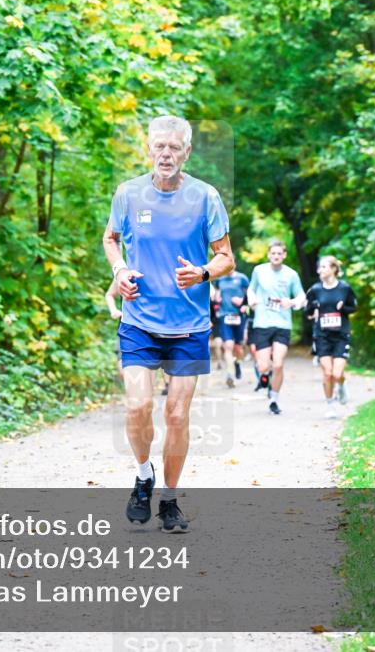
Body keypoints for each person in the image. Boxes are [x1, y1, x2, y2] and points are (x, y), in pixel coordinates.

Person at [102, 115, 234, 533]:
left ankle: (170, 500)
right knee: (138, 405)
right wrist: (120, 269)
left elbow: (227, 257)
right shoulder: (128, 194)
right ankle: (144, 476)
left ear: (187, 152)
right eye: (159, 146)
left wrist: (203, 272)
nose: (166, 154)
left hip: (189, 326)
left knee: (177, 415)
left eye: (174, 147)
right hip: (139, 321)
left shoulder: (205, 197)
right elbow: (110, 238)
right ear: (148, 148)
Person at [247, 241, 305, 415]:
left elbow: (301, 297)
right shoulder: (259, 271)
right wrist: (251, 299)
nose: (276, 256)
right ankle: (264, 375)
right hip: (262, 323)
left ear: (284, 255)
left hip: (282, 324)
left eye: (279, 253)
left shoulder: (291, 275)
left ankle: (274, 399)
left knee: (278, 364)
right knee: (263, 366)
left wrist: (292, 302)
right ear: (268, 254)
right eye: (273, 253)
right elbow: (251, 289)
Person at [306, 255, 357, 419]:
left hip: (340, 335)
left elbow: (353, 307)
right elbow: (308, 311)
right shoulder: (315, 290)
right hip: (322, 336)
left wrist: (343, 308)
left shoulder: (345, 288)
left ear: (334, 269)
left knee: (337, 373)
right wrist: (313, 309)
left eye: (324, 267)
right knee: (327, 373)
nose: (320, 270)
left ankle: (341, 385)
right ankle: (330, 406)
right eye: (319, 267)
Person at [216, 268, 249, 388]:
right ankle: (230, 374)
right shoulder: (220, 279)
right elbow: (217, 293)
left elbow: (250, 294)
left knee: (238, 348)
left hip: (239, 315)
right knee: (228, 345)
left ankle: (237, 363)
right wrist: (217, 299)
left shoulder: (242, 278)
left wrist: (244, 303)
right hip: (225, 315)